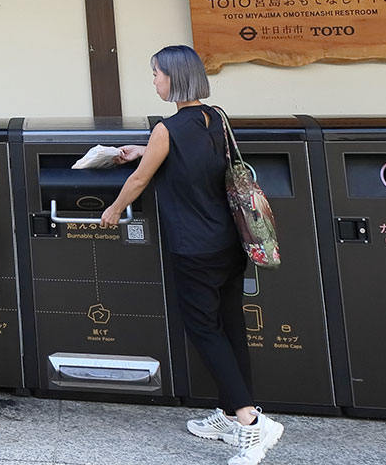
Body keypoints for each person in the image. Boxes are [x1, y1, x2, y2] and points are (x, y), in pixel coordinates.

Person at [99, 45, 283, 465]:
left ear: (174, 78)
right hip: (228, 241)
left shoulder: (166, 128)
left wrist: (112, 210)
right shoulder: (215, 118)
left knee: (203, 329)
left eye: (157, 73)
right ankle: (229, 413)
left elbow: (141, 181)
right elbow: (193, 158)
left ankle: (252, 425)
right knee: (231, 325)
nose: (154, 80)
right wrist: (142, 150)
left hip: (193, 246)